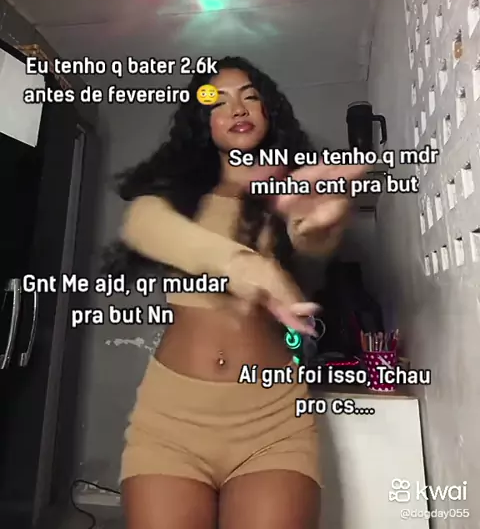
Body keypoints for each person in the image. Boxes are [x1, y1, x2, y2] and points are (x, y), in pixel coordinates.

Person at [103, 56, 367, 529]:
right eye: (219, 102)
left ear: (267, 112)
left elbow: (309, 252)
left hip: (271, 421)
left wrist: (319, 227)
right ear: (203, 121)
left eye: (250, 96)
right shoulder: (176, 199)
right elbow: (143, 223)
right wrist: (242, 265)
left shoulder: (287, 194)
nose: (237, 108)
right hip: (171, 421)